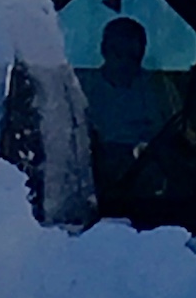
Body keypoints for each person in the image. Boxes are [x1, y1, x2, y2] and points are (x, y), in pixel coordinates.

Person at [79, 16, 186, 204]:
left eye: (133, 54)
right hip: (91, 175)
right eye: (118, 52)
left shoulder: (159, 88)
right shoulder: (82, 88)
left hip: (148, 178)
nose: (125, 61)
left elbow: (180, 135)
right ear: (104, 50)